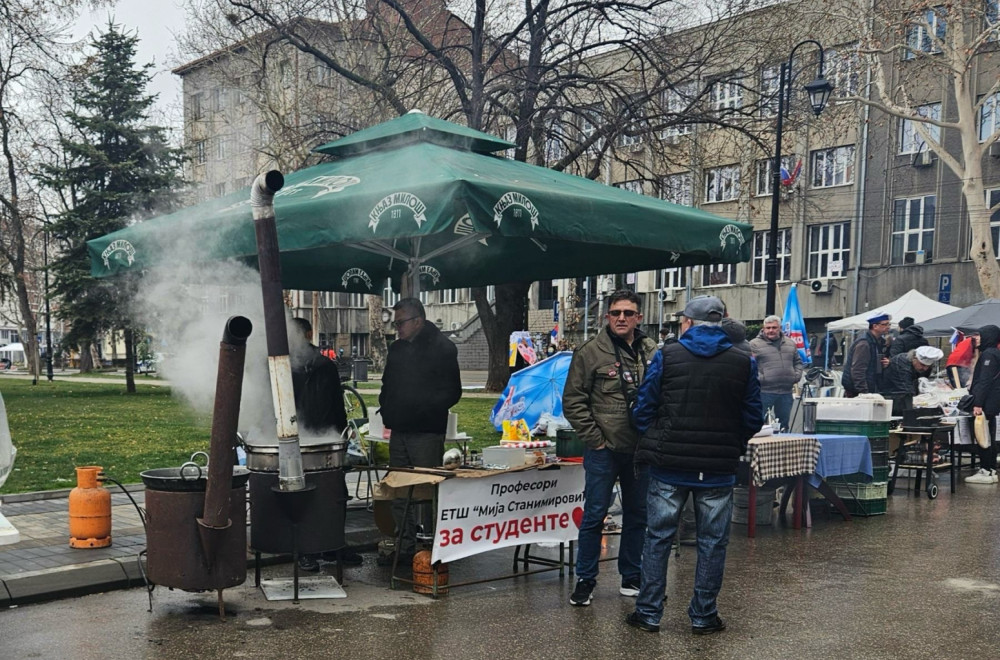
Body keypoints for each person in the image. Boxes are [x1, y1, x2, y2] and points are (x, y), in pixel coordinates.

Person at [625, 295, 763, 635]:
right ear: (722, 320)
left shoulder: (667, 355)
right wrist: (731, 440)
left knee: (657, 538)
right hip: (717, 467)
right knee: (713, 543)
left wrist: (658, 434)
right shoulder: (743, 361)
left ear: (687, 322)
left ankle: (649, 612)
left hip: (669, 464)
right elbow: (753, 417)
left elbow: (644, 407)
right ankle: (703, 615)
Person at [563, 289, 657, 606]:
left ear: (639, 317)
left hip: (640, 449)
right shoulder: (590, 352)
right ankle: (585, 581)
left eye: (628, 313)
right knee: (594, 516)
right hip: (604, 449)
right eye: (615, 312)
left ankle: (631, 577)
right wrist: (597, 441)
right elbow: (573, 403)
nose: (621, 318)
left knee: (637, 515)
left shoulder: (652, 350)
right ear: (607, 316)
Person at [378, 298, 462, 562]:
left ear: (418, 321)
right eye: (396, 322)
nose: (397, 328)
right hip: (399, 429)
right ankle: (404, 547)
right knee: (400, 490)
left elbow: (452, 391)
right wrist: (387, 408)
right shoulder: (398, 349)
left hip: (425, 430)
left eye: (400, 322)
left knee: (427, 490)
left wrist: (422, 409)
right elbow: (388, 383)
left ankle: (433, 548)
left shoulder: (442, 348)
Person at [288, 317, 359, 571]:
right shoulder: (285, 366)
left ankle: (332, 544)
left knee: (333, 493)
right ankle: (306, 549)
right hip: (297, 438)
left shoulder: (325, 366)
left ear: (308, 334)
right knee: (303, 495)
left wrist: (341, 436)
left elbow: (336, 404)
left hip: (327, 437)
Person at [749, 315, 804, 432]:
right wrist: (760, 378)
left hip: (786, 392)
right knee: (758, 425)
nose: (771, 330)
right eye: (768, 328)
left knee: (783, 426)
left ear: (780, 328)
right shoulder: (754, 344)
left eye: (774, 327)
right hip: (764, 391)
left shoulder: (790, 343)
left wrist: (796, 376)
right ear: (763, 328)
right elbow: (749, 366)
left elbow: (798, 362)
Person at [966, 325, 1000, 484]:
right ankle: (991, 469)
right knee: (989, 436)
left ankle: (985, 469)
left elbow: (984, 381)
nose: (976, 338)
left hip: (986, 404)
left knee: (982, 436)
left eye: (980, 335)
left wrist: (978, 403)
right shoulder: (994, 353)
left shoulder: (988, 355)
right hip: (991, 403)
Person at [880, 346, 943, 414]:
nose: (925, 369)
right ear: (914, 358)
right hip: (893, 399)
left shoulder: (914, 365)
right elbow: (906, 388)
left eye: (928, 366)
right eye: (922, 365)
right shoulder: (901, 363)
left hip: (902, 398)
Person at [842, 313, 891, 397]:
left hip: (869, 387)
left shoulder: (878, 342)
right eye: (885, 324)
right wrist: (864, 393)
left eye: (889, 324)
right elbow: (858, 370)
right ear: (875, 326)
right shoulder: (864, 344)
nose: (888, 327)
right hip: (858, 392)